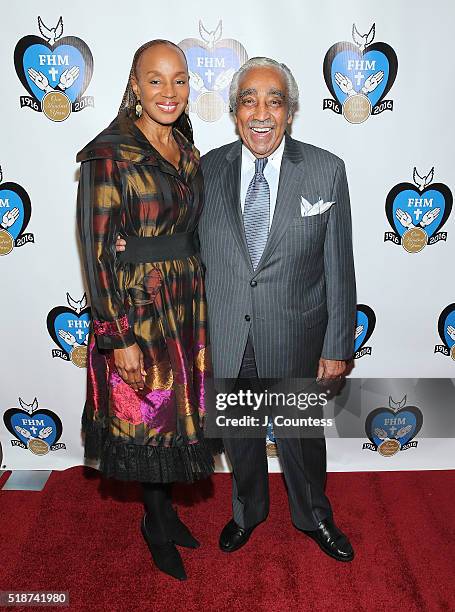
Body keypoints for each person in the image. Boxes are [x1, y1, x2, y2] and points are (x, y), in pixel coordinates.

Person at [117, 56, 357, 561]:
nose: (261, 112)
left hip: (296, 336)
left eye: (274, 100)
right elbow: (180, 237)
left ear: (289, 112)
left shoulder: (326, 169)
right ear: (235, 112)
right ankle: (247, 511)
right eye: (249, 100)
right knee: (241, 439)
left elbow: (340, 265)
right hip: (226, 333)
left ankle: (315, 516)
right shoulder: (208, 168)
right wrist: (134, 247)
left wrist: (338, 346)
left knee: (302, 443)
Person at [76, 40, 215, 581]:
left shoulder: (185, 146)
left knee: (177, 413)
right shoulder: (107, 154)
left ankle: (167, 511)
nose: (169, 92)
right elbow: (96, 247)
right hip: (139, 306)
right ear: (134, 85)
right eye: (155, 80)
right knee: (149, 416)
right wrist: (118, 335)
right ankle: (155, 523)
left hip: (186, 302)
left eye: (179, 80)